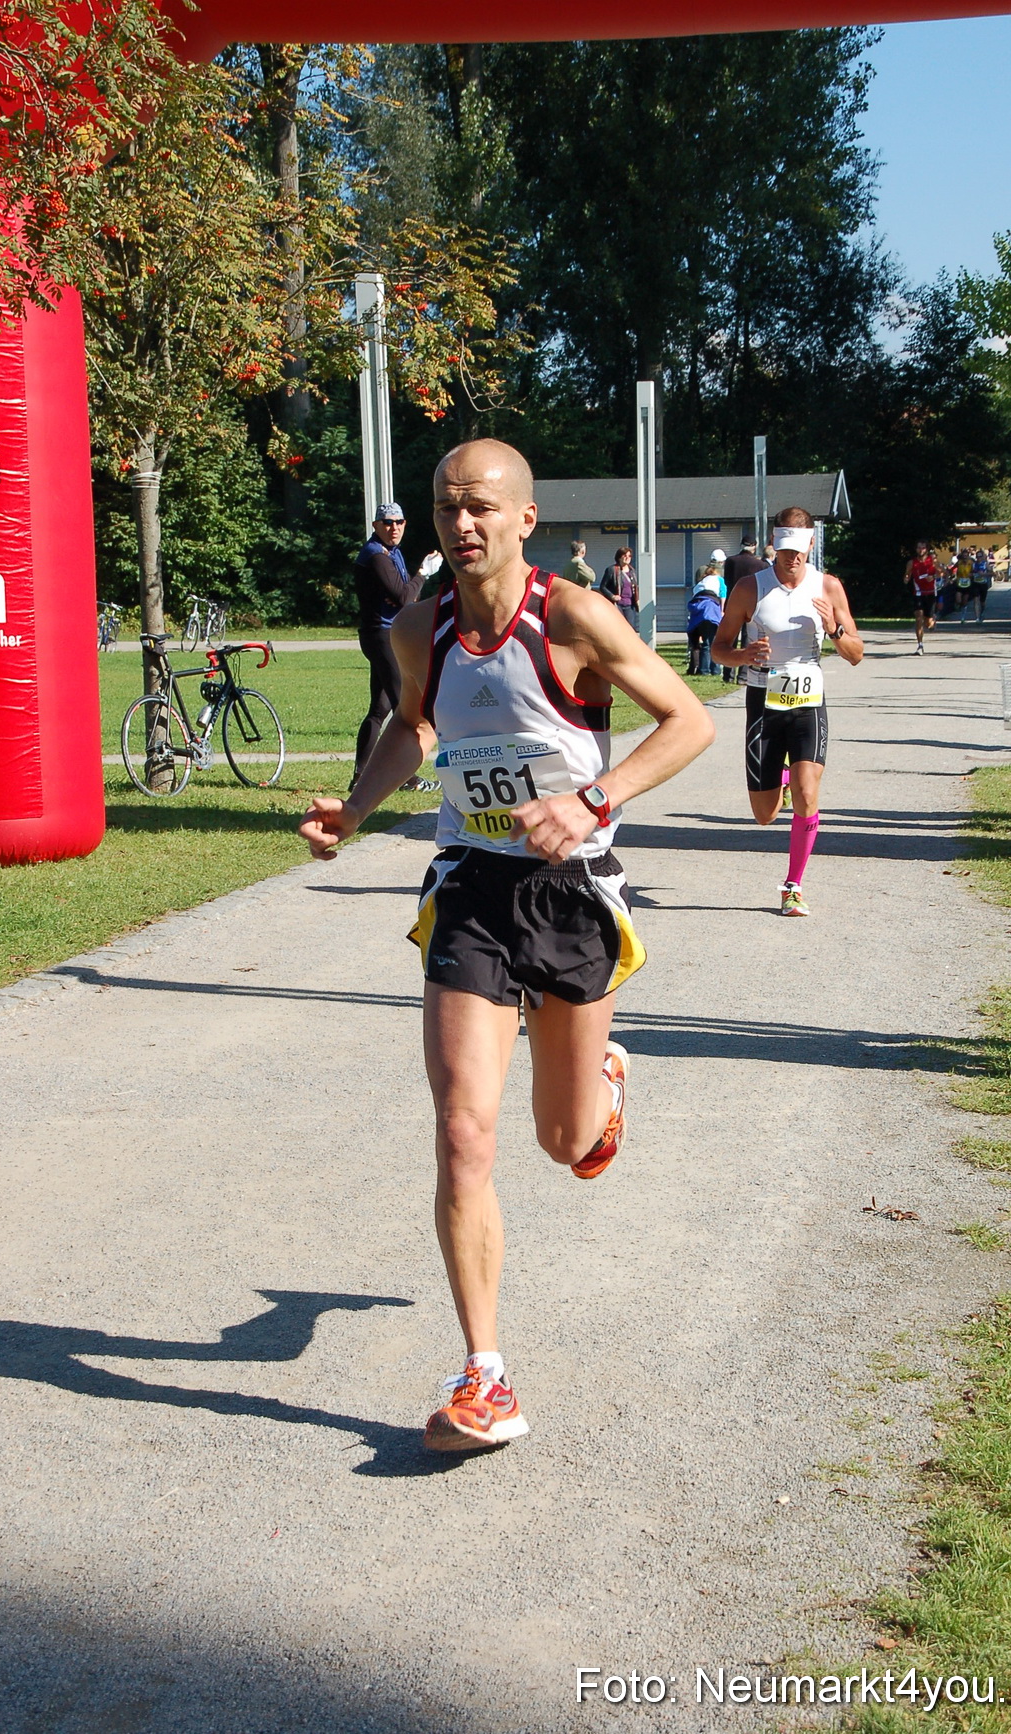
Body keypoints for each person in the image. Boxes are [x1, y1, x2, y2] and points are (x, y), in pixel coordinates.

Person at [298, 440, 714, 1451]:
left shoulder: (572, 617)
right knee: (461, 1132)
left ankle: (602, 1083)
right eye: (447, 507)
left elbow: (687, 721)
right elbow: (414, 728)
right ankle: (484, 1375)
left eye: (481, 506)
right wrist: (356, 808)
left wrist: (592, 800)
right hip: (471, 890)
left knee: (564, 1143)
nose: (462, 523)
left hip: (571, 892)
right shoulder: (419, 625)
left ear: (524, 518)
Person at [711, 505, 864, 917]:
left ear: (811, 545)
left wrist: (834, 629)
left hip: (808, 700)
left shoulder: (828, 587)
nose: (791, 558)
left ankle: (793, 886)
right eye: (784, 550)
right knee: (764, 815)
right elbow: (719, 648)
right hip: (763, 701)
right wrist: (744, 655)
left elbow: (856, 654)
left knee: (807, 793)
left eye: (798, 550)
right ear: (773, 545)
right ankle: (783, 776)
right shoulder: (750, 588)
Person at [351, 503, 440, 794]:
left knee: (379, 709)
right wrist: (423, 574)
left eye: (399, 522)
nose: (394, 528)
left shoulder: (391, 553)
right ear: (376, 526)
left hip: (384, 635)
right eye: (388, 522)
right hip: (382, 635)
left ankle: (360, 775)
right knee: (407, 710)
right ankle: (406, 776)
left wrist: (411, 587)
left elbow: (406, 597)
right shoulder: (377, 556)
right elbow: (403, 597)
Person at [720, 537, 767, 684]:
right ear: (754, 546)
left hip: (732, 602)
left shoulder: (731, 561)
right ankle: (743, 675)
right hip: (752, 605)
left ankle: (728, 674)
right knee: (748, 639)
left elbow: (727, 581)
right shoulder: (760, 564)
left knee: (730, 639)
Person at [904, 540, 938, 653]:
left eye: (923, 548)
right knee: (918, 618)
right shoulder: (912, 562)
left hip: (930, 592)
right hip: (918, 593)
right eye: (919, 548)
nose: (921, 550)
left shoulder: (932, 561)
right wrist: (906, 578)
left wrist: (933, 577)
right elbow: (907, 574)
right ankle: (920, 645)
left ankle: (932, 621)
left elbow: (942, 573)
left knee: (928, 623)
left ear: (926, 549)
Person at [686, 572, 722, 675]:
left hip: (699, 619)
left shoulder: (698, 591)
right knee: (712, 643)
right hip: (711, 616)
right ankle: (714, 670)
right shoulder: (717, 581)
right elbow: (723, 595)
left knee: (704, 644)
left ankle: (703, 669)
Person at [599, 547, 639, 630]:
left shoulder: (632, 571)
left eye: (629, 556)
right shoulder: (612, 570)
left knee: (630, 629)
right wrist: (612, 596)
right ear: (619, 557)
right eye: (625, 555)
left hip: (629, 605)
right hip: (617, 605)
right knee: (618, 628)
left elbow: (635, 587)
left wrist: (637, 600)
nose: (627, 558)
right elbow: (603, 587)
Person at [971, 545, 991, 622]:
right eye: (977, 557)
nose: (979, 558)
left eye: (980, 556)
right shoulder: (973, 564)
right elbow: (970, 573)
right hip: (976, 584)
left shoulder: (985, 564)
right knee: (976, 600)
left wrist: (984, 574)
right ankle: (977, 618)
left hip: (983, 584)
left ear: (982, 557)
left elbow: (992, 573)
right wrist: (972, 574)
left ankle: (981, 613)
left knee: (982, 602)